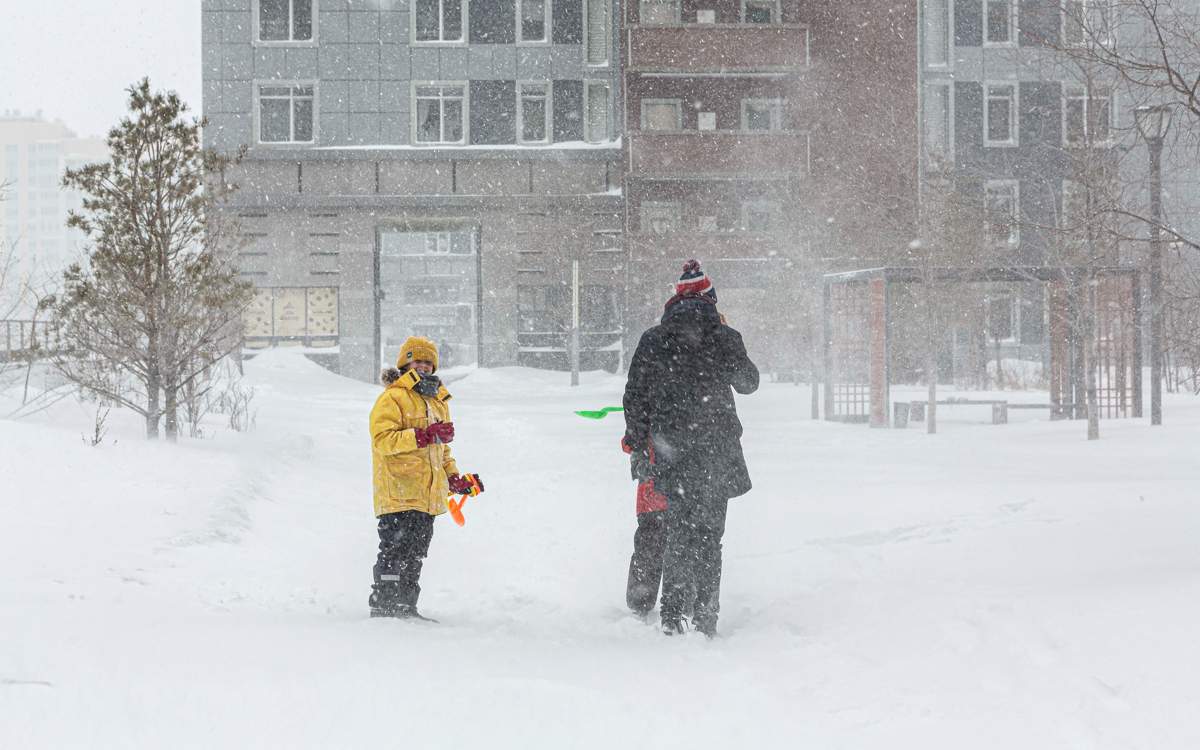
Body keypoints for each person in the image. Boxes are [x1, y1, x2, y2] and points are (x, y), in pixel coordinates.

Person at [622, 260, 759, 637]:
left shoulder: (654, 338)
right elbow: (749, 383)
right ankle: (705, 616)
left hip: (672, 452)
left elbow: (635, 396)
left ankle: (672, 616)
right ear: (710, 299)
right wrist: (726, 342)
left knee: (679, 533)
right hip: (717, 452)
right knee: (710, 536)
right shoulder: (724, 336)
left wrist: (637, 443)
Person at [368, 335, 483, 620]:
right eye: (416, 361)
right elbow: (382, 440)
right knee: (394, 551)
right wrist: (421, 436)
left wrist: (454, 479)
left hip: (426, 495)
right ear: (405, 364)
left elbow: (441, 451)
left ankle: (406, 606)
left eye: (428, 362)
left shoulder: (438, 401)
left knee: (416, 554)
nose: (423, 367)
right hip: (398, 490)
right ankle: (384, 606)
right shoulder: (393, 397)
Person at [620, 437, 668, 617]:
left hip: (654, 497)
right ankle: (640, 602)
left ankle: (640, 602)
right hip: (656, 496)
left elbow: (629, 442)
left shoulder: (645, 416)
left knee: (649, 549)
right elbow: (629, 442)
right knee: (655, 548)